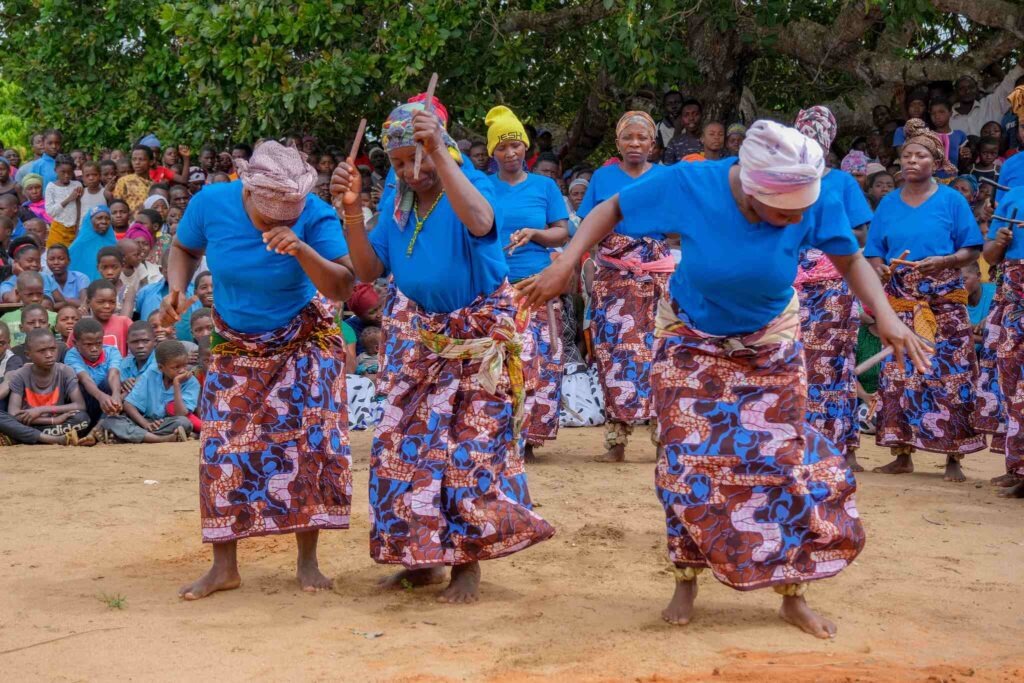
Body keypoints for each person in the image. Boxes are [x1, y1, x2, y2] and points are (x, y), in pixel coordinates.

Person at [517, 119, 929, 639]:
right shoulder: (692, 184)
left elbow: (849, 261)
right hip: (690, 338)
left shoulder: (811, 193)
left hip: (771, 342)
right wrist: (567, 263)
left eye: (801, 212)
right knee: (686, 462)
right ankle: (686, 577)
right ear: (752, 192)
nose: (796, 222)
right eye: (784, 214)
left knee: (781, 462)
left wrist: (886, 316)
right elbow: (611, 208)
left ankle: (792, 591)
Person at [330, 99, 554, 604]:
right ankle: (421, 558)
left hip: (479, 340)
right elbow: (368, 270)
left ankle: (467, 566)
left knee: (466, 454)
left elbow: (480, 221)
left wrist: (438, 153)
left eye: (418, 158)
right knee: (400, 450)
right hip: (423, 341)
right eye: (398, 163)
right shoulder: (399, 200)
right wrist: (351, 209)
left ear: (445, 148)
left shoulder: (470, 183)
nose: (411, 172)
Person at [164, 140, 355, 600]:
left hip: (303, 340)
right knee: (222, 451)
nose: (274, 224)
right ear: (246, 191)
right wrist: (176, 287)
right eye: (267, 217)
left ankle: (307, 562)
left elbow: (343, 284)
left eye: (285, 217)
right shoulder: (212, 202)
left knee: (308, 449)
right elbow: (184, 248)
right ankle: (224, 567)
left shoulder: (315, 215)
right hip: (235, 342)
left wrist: (302, 250)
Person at [865, 119, 986, 482]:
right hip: (901, 301)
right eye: (907, 156)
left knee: (950, 374)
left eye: (920, 156)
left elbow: (972, 249)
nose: (912, 161)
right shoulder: (888, 203)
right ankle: (902, 454)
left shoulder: (951, 200)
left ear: (936, 162)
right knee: (899, 375)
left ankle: (953, 457)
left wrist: (945, 261)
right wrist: (880, 269)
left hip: (943, 302)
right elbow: (874, 252)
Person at [576, 111, 672, 462]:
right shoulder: (603, 178)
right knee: (614, 354)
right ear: (617, 143)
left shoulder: (665, 176)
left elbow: (679, 225)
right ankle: (616, 442)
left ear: (652, 144)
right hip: (613, 281)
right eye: (628, 137)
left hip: (657, 280)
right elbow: (587, 225)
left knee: (662, 354)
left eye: (642, 138)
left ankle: (664, 442)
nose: (635, 143)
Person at [793, 106, 875, 472]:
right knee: (791, 359)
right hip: (789, 283)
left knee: (834, 365)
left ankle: (840, 445)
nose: (810, 142)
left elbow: (861, 233)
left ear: (828, 142)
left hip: (833, 286)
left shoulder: (841, 182)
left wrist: (818, 229)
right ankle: (793, 443)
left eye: (817, 136)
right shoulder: (783, 179)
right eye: (804, 136)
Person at [486, 105, 570, 461]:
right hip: (496, 289)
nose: (510, 153)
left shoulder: (545, 186)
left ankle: (530, 439)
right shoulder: (482, 187)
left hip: (539, 286)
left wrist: (535, 233)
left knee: (544, 362)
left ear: (526, 147)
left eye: (516, 145)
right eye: (502, 147)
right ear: (492, 152)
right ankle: (502, 435)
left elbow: (562, 231)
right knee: (502, 363)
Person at [983, 185, 1024, 497]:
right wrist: (999, 242)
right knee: (1013, 386)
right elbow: (989, 255)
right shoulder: (1014, 195)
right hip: (1015, 304)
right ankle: (1019, 468)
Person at [94, 340, 196, 444]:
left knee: (184, 423)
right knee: (111, 421)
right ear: (161, 367)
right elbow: (128, 405)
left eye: (185, 365)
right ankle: (161, 439)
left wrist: (177, 384)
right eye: (176, 367)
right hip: (144, 421)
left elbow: (180, 414)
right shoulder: (151, 374)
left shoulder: (191, 382)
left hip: (166, 423)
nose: (182, 370)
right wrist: (145, 424)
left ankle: (132, 437)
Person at [0, 328, 88, 446]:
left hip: (57, 422)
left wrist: (41, 410)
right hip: (29, 422)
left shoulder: (65, 371)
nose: (49, 355)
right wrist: (52, 420)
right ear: (28, 354)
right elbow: (14, 414)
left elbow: (80, 405)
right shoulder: (20, 375)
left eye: (52, 349)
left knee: (82, 419)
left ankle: (21, 437)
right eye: (42, 351)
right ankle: (54, 439)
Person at [64, 317, 122, 428]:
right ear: (75, 343)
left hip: (107, 400)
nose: (94, 348)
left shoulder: (112, 351)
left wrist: (116, 395)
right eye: (88, 344)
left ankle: (100, 426)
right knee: (78, 386)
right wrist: (100, 396)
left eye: (98, 343)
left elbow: (114, 374)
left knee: (116, 385)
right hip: (86, 402)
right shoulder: (72, 355)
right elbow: (85, 379)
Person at [951, 67, 1024, 136]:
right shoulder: (948, 117)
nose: (967, 91)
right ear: (956, 92)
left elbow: (1009, 82)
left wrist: (1020, 66)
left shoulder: (991, 104)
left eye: (971, 87)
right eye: (962, 88)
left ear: (977, 88)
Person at [43, 155, 82, 249]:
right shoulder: (51, 187)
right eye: (63, 172)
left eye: (69, 172)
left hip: (74, 229)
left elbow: (80, 208)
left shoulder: (77, 185)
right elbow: (50, 211)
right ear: (55, 170)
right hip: (58, 230)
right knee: (56, 253)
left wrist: (78, 227)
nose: (66, 175)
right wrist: (68, 199)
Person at [68, 205, 115, 283]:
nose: (104, 221)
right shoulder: (79, 245)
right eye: (99, 218)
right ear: (90, 221)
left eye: (107, 218)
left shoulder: (114, 243)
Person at [661, 99, 703, 165]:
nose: (691, 118)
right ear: (681, 118)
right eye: (686, 115)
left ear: (701, 116)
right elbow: (669, 168)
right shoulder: (674, 142)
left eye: (695, 114)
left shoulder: (711, 139)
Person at [119, 320, 157, 393]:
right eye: (134, 342)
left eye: (145, 341)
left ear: (155, 341)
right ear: (127, 343)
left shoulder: (160, 361)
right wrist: (123, 383)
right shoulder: (124, 364)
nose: (140, 346)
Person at [113, 145, 154, 213]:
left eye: (141, 159)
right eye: (134, 159)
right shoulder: (124, 181)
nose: (137, 162)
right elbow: (117, 206)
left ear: (151, 162)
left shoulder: (154, 184)